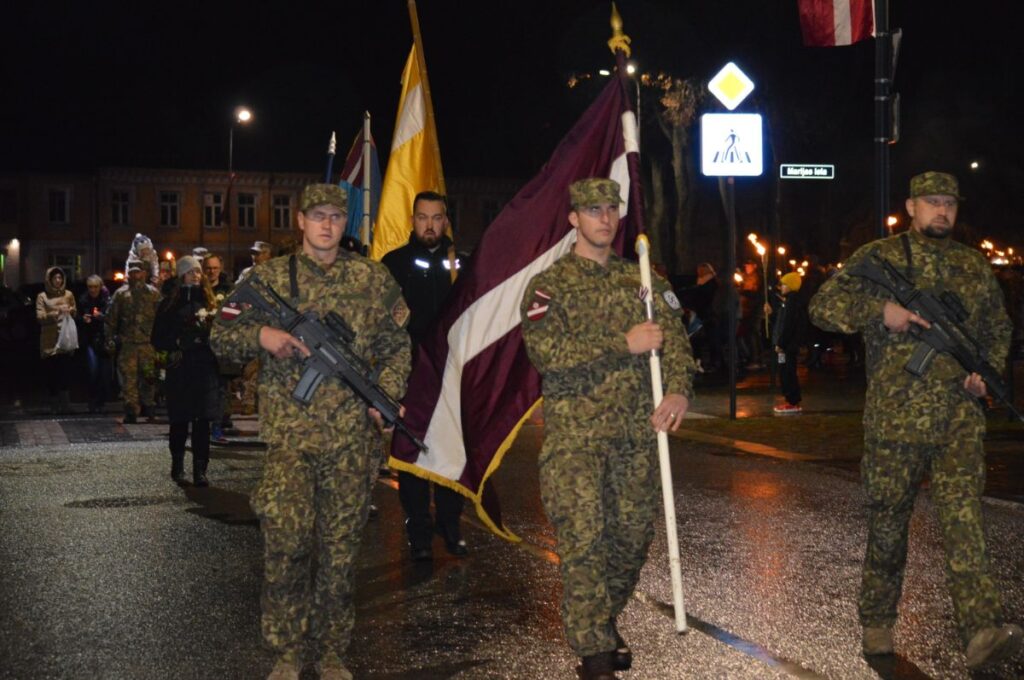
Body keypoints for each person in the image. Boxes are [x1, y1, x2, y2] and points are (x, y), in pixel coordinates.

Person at [809, 171, 1022, 670]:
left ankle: (981, 631)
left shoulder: (973, 266)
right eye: (932, 202)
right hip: (895, 421)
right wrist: (881, 310)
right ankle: (878, 622)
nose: (942, 211)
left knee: (964, 523)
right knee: (888, 526)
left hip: (958, 421)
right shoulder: (880, 258)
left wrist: (984, 378)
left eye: (949, 203)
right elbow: (822, 307)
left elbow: (996, 328)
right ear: (911, 206)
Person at [211, 184, 411, 680]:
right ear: (300, 221)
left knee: (340, 555)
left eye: (336, 218)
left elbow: (397, 347)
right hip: (291, 443)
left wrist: (382, 397)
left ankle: (330, 653)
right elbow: (220, 336)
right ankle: (286, 651)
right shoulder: (270, 278)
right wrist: (264, 335)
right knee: (286, 543)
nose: (327, 225)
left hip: (350, 446)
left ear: (346, 224)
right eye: (317, 216)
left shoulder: (373, 279)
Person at [520, 178, 696, 680]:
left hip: (637, 439)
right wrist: (623, 342)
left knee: (630, 540)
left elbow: (677, 343)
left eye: (611, 209)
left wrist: (680, 390)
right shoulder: (549, 286)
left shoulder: (643, 280)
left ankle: (603, 617)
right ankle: (594, 650)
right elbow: (547, 356)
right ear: (574, 218)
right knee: (583, 540)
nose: (604, 218)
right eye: (592, 210)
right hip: (576, 439)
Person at [381, 190, 468, 561]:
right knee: (413, 456)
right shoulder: (394, 264)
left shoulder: (462, 264)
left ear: (446, 220)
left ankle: (451, 526)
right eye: (422, 217)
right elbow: (383, 323)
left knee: (451, 453)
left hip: (451, 376)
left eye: (436, 217)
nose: (429, 225)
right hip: (411, 376)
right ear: (412, 220)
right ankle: (418, 531)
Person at [151, 256, 222, 486]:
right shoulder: (170, 304)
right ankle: (177, 464)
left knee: (202, 421)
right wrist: (178, 341)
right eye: (191, 272)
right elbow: (157, 337)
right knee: (179, 420)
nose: (196, 275)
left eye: (198, 272)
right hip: (180, 369)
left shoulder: (209, 302)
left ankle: (200, 470)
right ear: (181, 275)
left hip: (204, 369)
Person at [106, 259, 161, 424]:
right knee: (129, 379)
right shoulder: (121, 295)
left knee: (149, 378)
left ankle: (149, 408)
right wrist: (110, 339)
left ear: (144, 273)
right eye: (133, 272)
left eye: (139, 272)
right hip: (128, 344)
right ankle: (131, 411)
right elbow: (111, 319)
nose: (136, 275)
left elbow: (161, 318)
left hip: (148, 344)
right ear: (128, 274)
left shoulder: (153, 294)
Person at [201, 253, 236, 442]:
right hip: (201, 345)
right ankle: (202, 425)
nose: (211, 271)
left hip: (222, 346)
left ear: (220, 269)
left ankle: (217, 426)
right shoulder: (198, 289)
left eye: (215, 268)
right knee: (203, 387)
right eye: (208, 268)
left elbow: (238, 313)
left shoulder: (229, 290)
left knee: (222, 388)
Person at [35, 266, 77, 413]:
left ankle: (66, 404)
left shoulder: (68, 294)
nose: (58, 280)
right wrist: (55, 313)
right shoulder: (43, 296)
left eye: (60, 278)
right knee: (52, 373)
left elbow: (74, 310)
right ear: (49, 280)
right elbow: (40, 317)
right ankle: (53, 403)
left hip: (65, 338)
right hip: (50, 340)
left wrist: (70, 311)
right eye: (55, 278)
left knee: (65, 372)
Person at [765, 271, 806, 415]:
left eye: (783, 284)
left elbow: (788, 326)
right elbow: (781, 321)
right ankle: (790, 399)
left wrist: (781, 343)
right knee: (784, 371)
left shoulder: (792, 303)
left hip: (786, 347)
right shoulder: (787, 302)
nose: (781, 287)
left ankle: (792, 401)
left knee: (788, 372)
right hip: (784, 346)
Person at [77, 275, 112, 413]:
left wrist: (101, 317)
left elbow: (112, 317)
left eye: (95, 286)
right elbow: (77, 316)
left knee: (105, 373)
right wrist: (82, 319)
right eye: (90, 287)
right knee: (93, 370)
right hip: (90, 340)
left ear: (100, 286)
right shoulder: (83, 299)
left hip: (104, 340)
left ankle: (101, 401)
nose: (93, 290)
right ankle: (92, 401)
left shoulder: (107, 299)